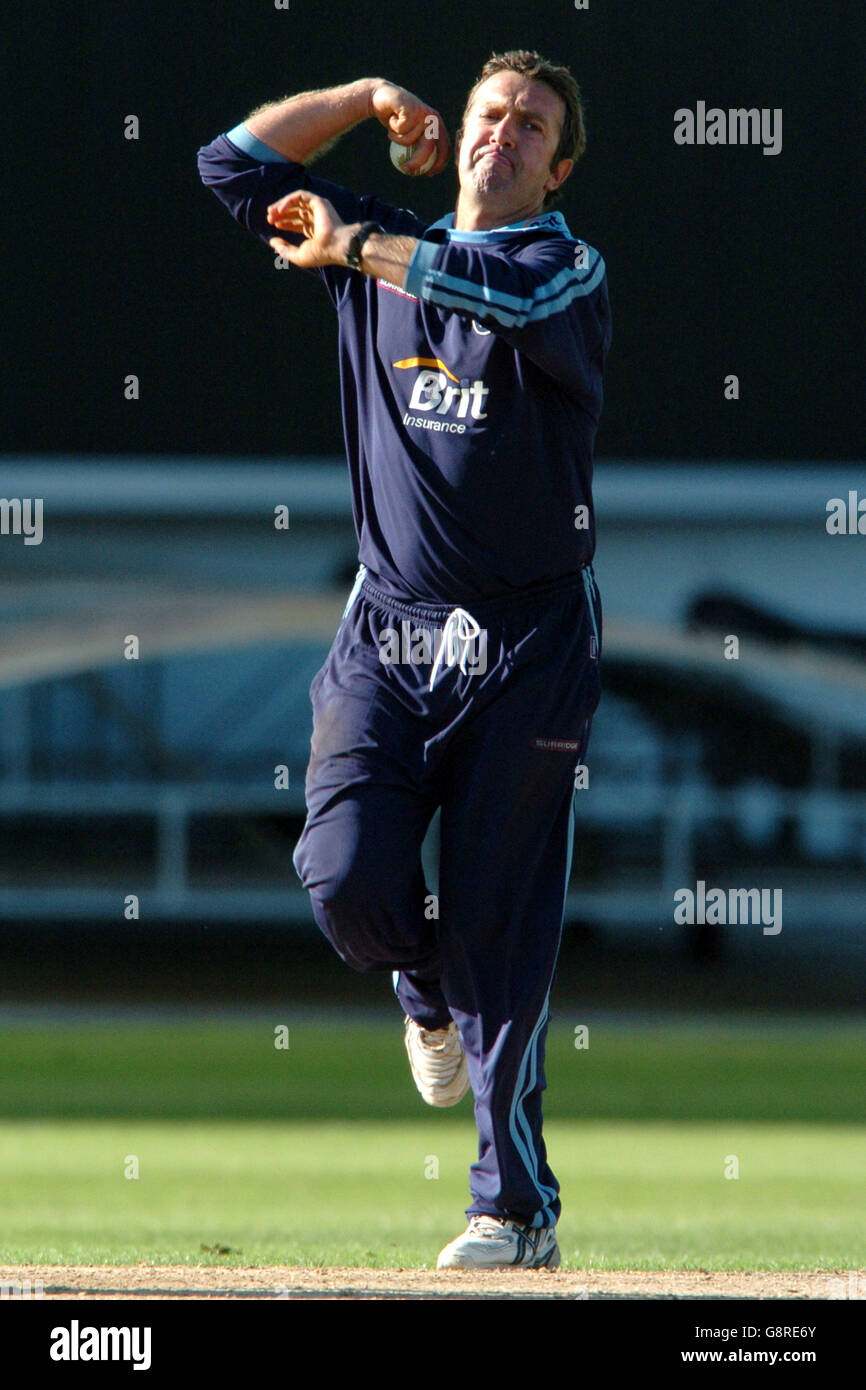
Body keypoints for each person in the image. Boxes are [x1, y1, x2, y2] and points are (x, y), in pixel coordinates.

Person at [197, 49, 611, 1270]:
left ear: (559, 163)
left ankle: (513, 1209)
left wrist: (350, 250)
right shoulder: (374, 236)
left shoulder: (562, 268)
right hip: (389, 628)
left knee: (502, 923)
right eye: (489, 114)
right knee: (340, 877)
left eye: (531, 126)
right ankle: (421, 993)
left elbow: (497, 301)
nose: (501, 135)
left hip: (526, 642)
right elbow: (232, 164)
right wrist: (367, 100)